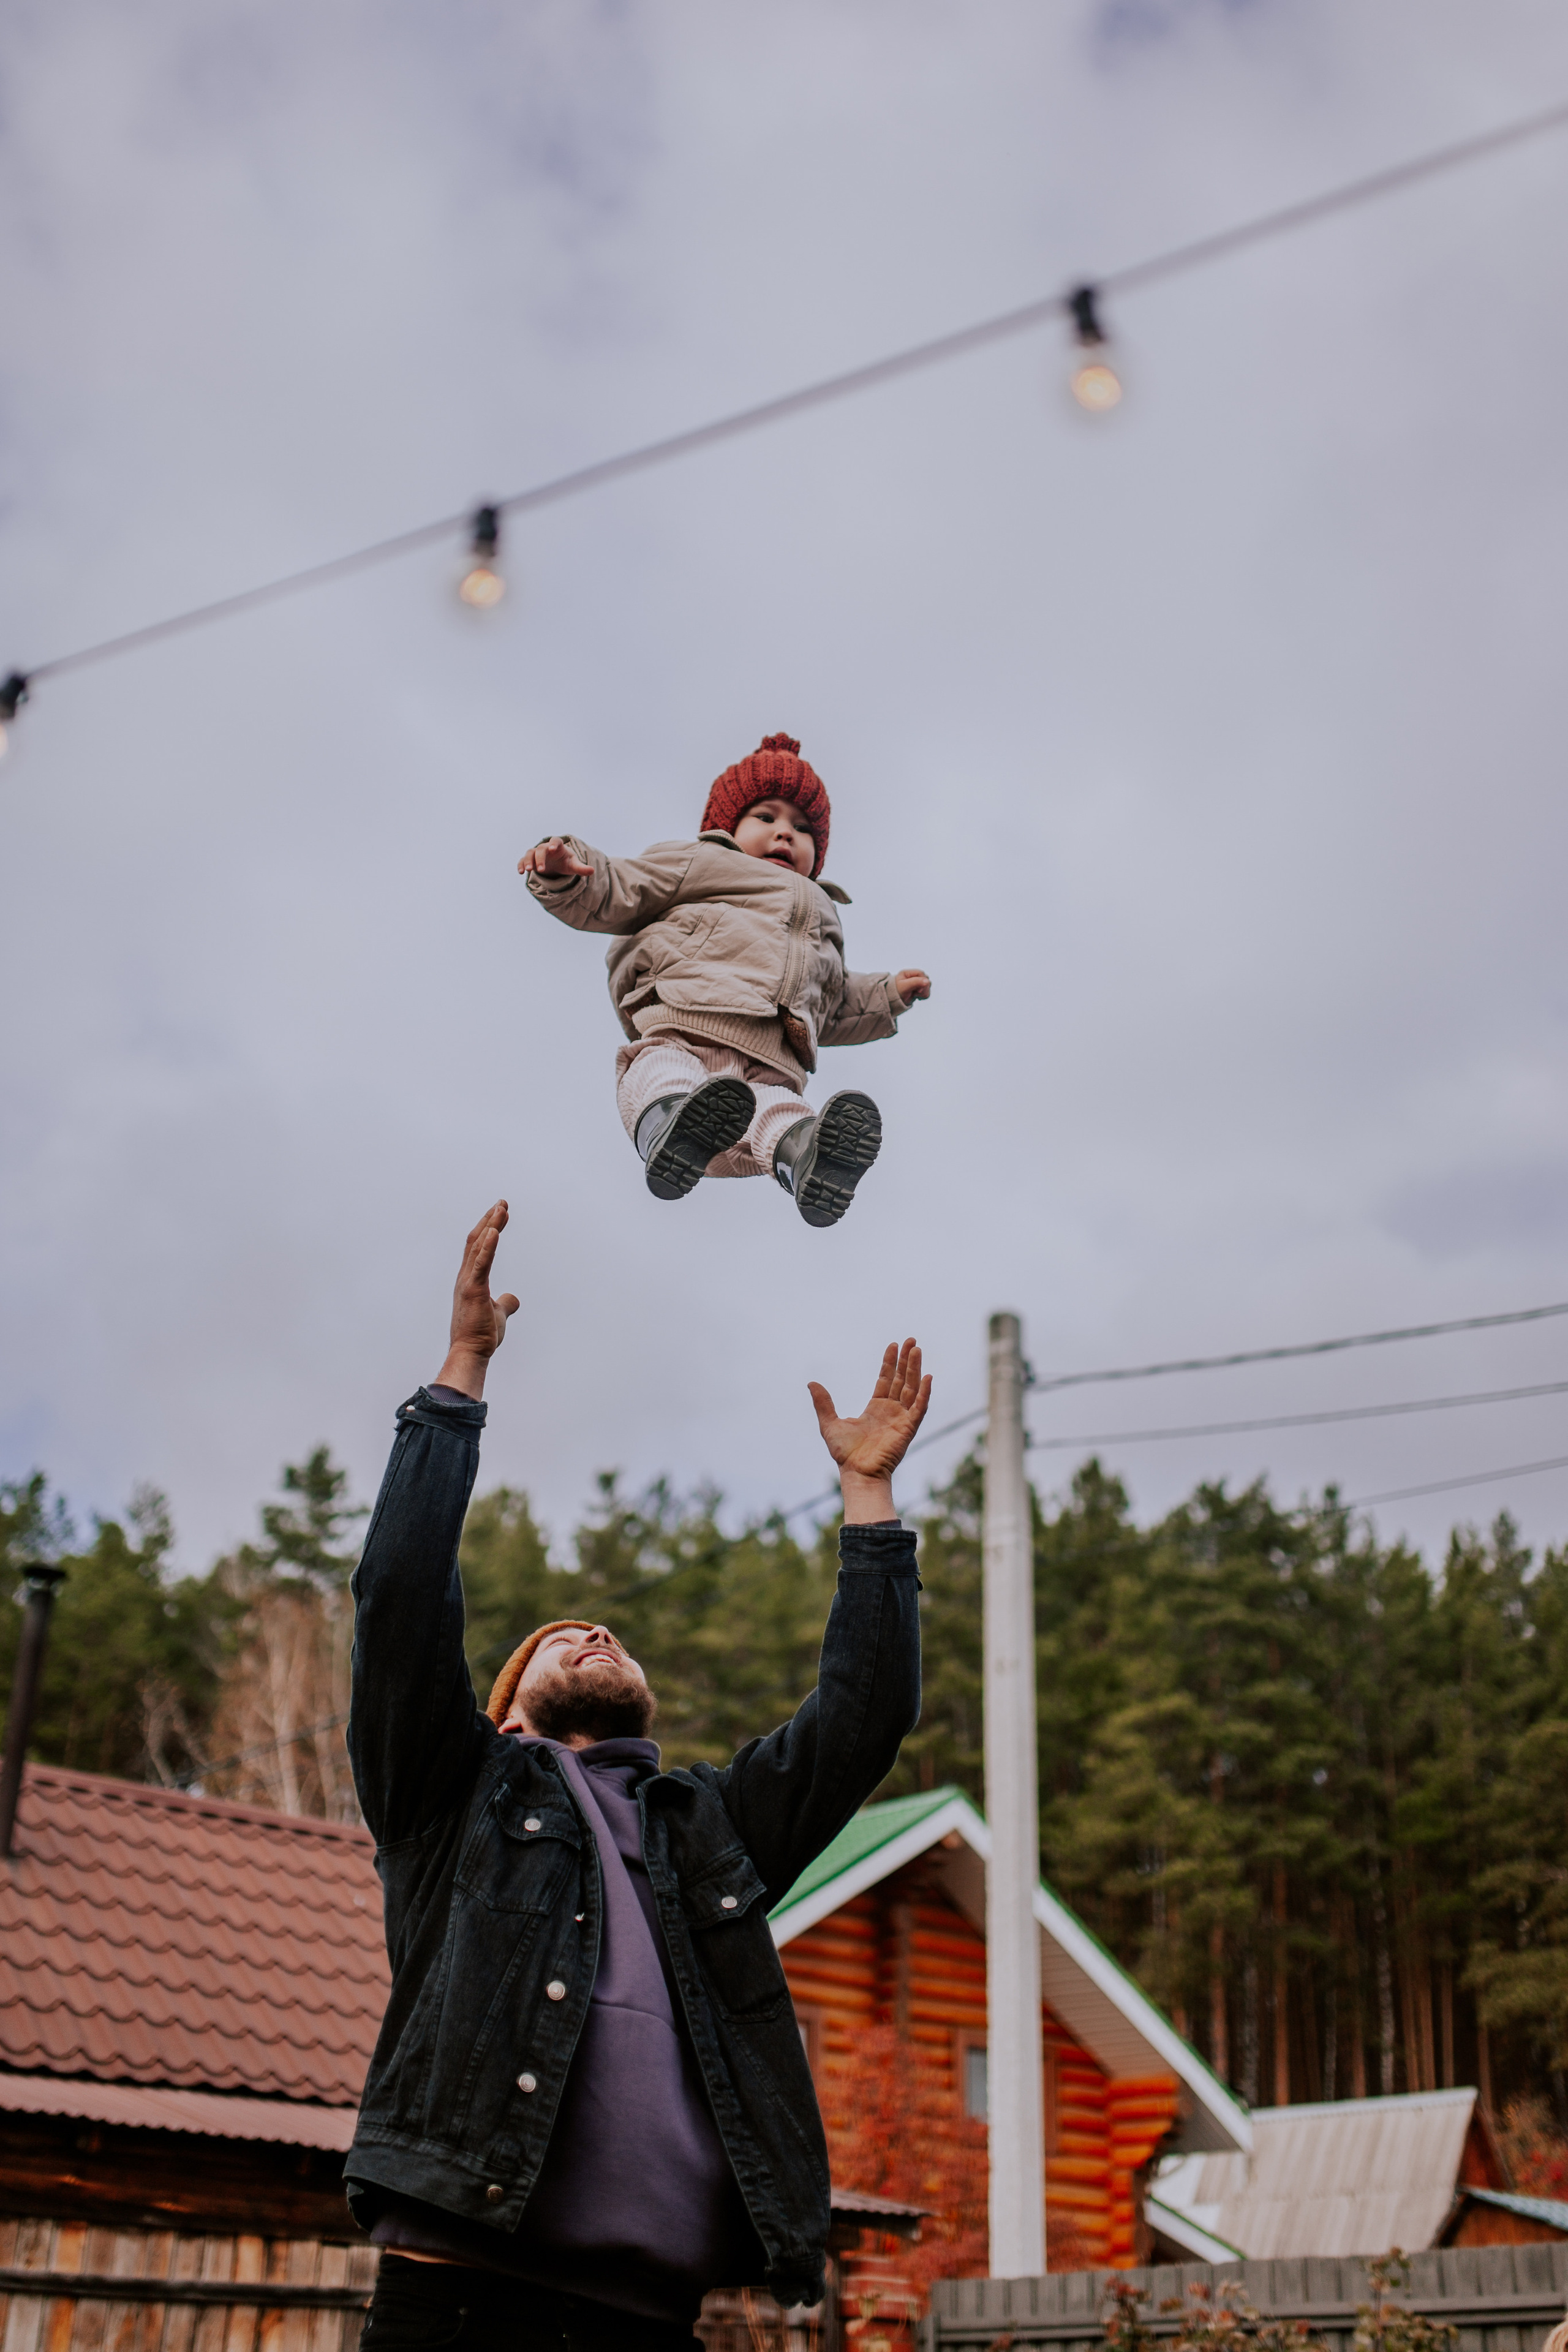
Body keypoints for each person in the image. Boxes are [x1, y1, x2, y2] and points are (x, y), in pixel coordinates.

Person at [347, 1200, 932, 2350]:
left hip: (651, 2321)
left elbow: (862, 1723)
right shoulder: (453, 1793)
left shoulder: (701, 1827)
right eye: (560, 1637)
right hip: (461, 2292)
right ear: (502, 1707)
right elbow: (401, 1599)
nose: (595, 1632)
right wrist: (461, 1372)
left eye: (610, 1632)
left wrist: (869, 1497)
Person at [518, 732, 931, 1227]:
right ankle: (670, 1123)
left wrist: (886, 996)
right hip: (688, 1019)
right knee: (662, 1065)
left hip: (772, 1059)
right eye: (766, 817)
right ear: (727, 826)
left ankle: (807, 1158)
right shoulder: (701, 862)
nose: (785, 834)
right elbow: (621, 885)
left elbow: (832, 1004)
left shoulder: (823, 915)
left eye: (802, 829)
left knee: (780, 1107)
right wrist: (567, 868)